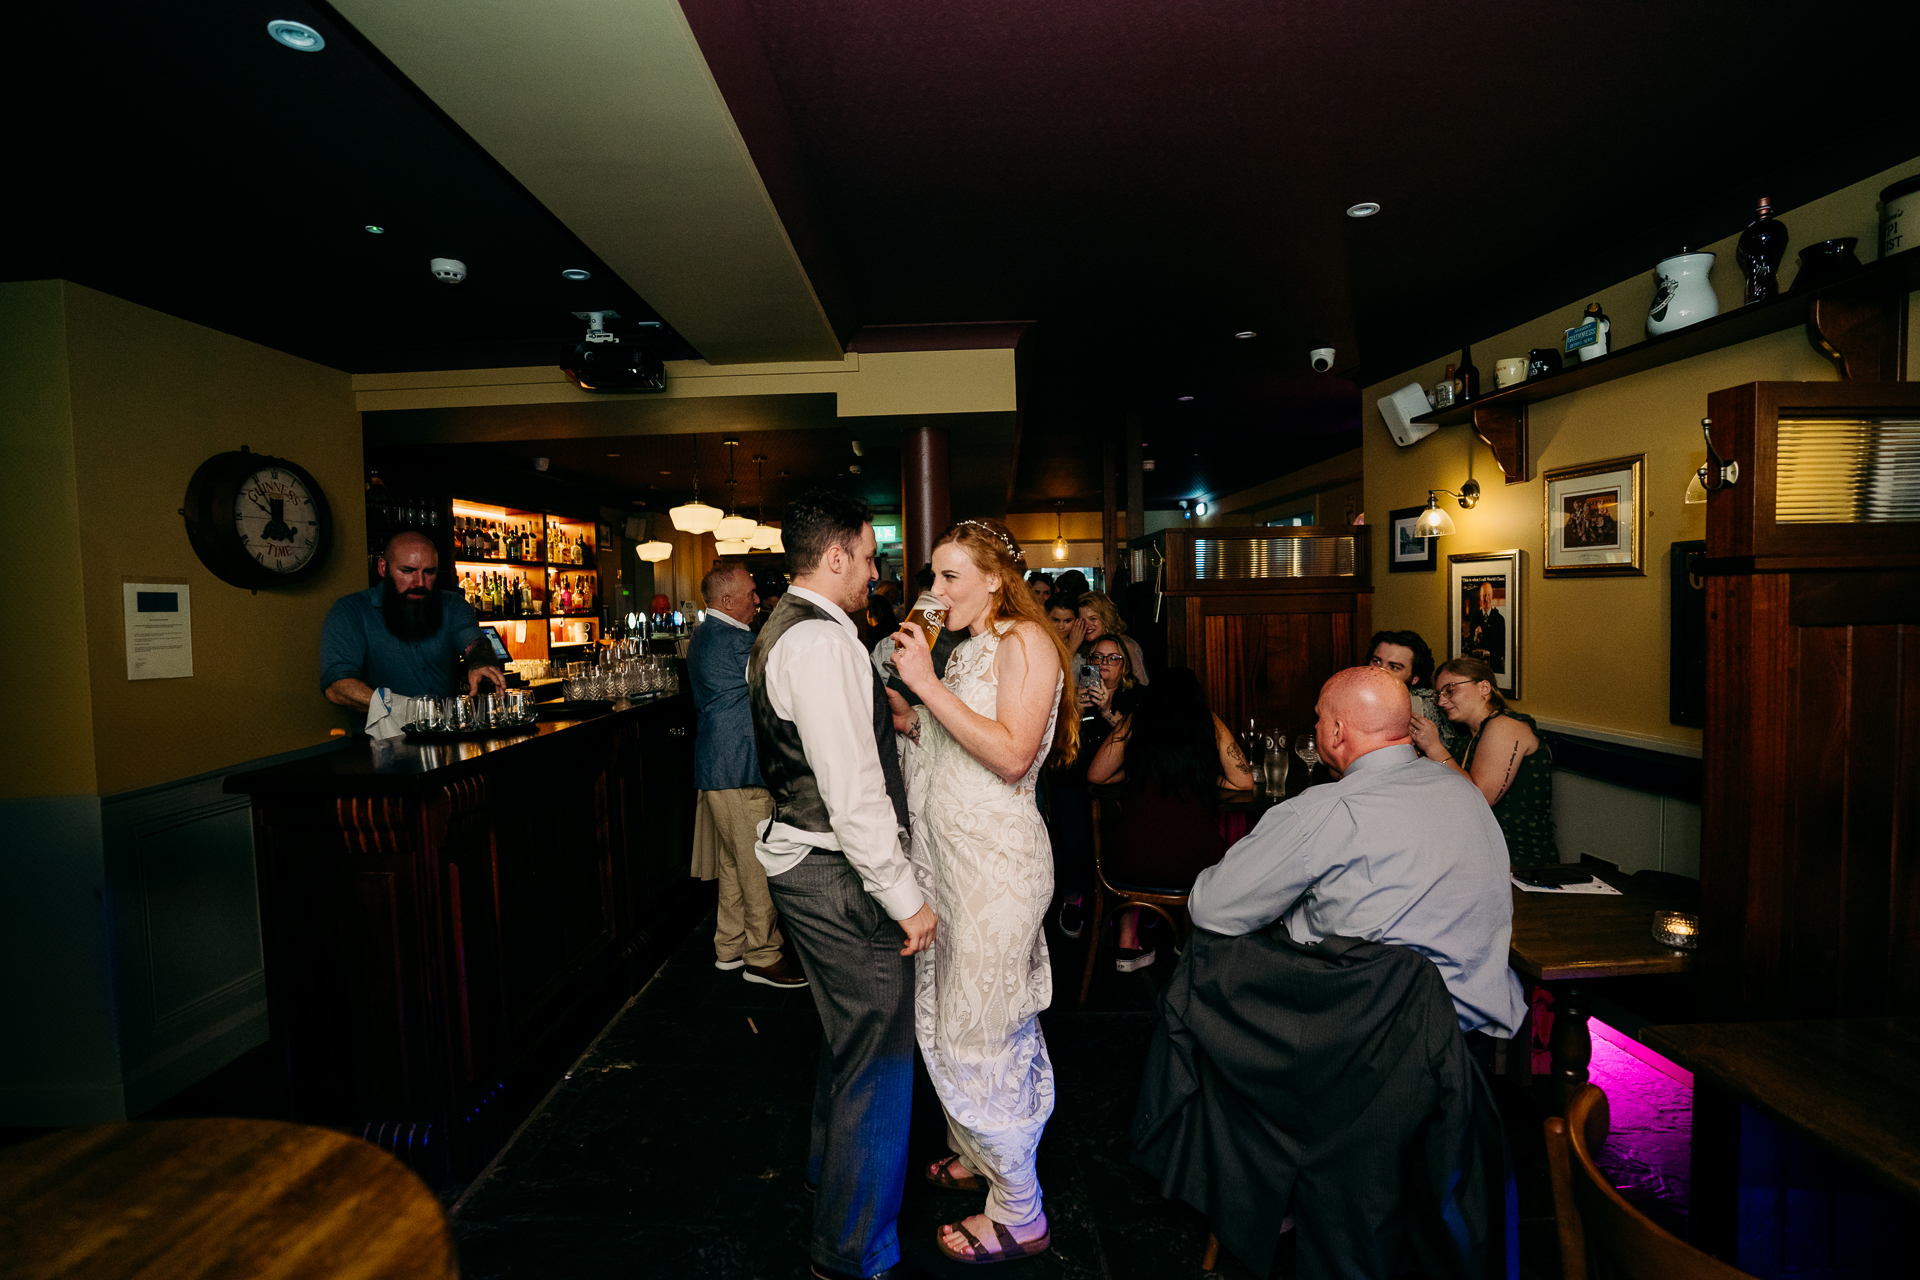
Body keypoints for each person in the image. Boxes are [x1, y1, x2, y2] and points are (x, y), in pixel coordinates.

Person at [746, 490, 938, 1280]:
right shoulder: (821, 645)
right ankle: (853, 1248)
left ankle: (828, 1172)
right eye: (865, 556)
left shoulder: (793, 628)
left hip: (806, 861)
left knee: (847, 1039)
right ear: (833, 558)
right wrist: (908, 900)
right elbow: (854, 799)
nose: (873, 570)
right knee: (882, 1058)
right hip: (835, 871)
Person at [888, 518, 1078, 1266]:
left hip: (996, 870)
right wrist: (911, 716)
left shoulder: (1027, 643)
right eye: (933, 578)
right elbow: (952, 748)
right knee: (964, 1015)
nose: (933, 593)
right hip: (948, 868)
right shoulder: (965, 648)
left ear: (995, 579)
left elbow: (1010, 754)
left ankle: (1021, 1212)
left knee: (982, 1029)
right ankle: (979, 1152)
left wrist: (929, 686)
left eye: (949, 577)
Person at [1188, 666, 1527, 1042]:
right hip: (1469, 1020)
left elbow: (1210, 906)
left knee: (1206, 950)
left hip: (1365, 1026)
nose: (1316, 728)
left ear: (1335, 732)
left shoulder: (1320, 809)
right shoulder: (1465, 793)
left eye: (1318, 718)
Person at [1086, 667, 1254, 971]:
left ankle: (1126, 946)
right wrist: (1202, 776)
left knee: (1137, 839)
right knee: (1192, 849)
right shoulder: (1208, 722)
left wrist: (1141, 771)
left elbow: (1096, 775)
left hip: (1128, 864)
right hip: (1194, 863)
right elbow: (1243, 782)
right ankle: (1187, 944)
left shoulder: (1137, 720)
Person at [688, 563, 805, 989]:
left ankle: (730, 948)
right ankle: (762, 955)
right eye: (751, 593)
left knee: (734, 863)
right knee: (756, 863)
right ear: (726, 601)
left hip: (718, 766)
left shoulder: (703, 635)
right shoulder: (737, 642)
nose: (758, 600)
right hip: (740, 766)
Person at [321, 530, 504, 735]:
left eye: (429, 572)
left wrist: (481, 663)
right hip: (381, 747)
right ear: (383, 568)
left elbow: (473, 640)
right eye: (407, 571)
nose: (420, 583)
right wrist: (413, 711)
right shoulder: (351, 610)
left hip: (447, 740)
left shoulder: (452, 604)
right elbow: (337, 687)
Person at [1409, 656, 1559, 868]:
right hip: (1480, 853)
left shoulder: (1506, 726)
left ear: (1484, 687)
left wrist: (1433, 748)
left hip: (1519, 858)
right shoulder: (1463, 742)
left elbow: (1480, 797)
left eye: (1450, 690)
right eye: (1439, 695)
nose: (1442, 701)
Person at [1049, 635, 1140, 940]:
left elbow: (1143, 745)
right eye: (1097, 658)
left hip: (1123, 785)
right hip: (1075, 781)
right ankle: (1072, 898)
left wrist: (1106, 711)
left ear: (1124, 665)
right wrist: (1072, 709)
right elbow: (1052, 739)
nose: (1104, 665)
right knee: (1076, 841)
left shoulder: (1135, 698)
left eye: (1112, 658)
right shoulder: (1073, 692)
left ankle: (1129, 903)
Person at [1367, 628, 1462, 754]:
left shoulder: (1429, 707)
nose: (1380, 671)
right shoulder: (1350, 695)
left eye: (1394, 667)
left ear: (1415, 678)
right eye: (1376, 661)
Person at [1076, 591, 1149, 685]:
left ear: (1106, 618)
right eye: (1082, 620)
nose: (1087, 625)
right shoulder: (1085, 647)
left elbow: (1142, 685)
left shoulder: (1125, 644)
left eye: (1093, 619)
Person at [1463, 581, 1507, 674]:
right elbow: (1469, 644)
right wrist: (1475, 637)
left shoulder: (1499, 619)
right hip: (1477, 666)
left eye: (1488, 595)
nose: (1486, 599)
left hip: (1494, 666)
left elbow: (1502, 646)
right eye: (1484, 595)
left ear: (1492, 596)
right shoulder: (1475, 617)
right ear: (1480, 597)